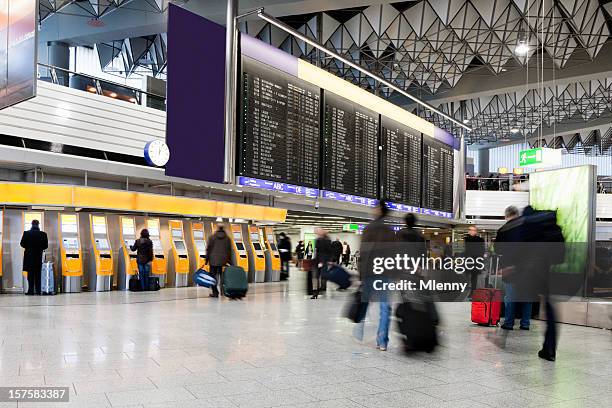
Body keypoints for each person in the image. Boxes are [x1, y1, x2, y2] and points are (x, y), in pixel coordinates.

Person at [357, 201, 396, 351]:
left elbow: (363, 253)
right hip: (385, 273)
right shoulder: (389, 231)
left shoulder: (368, 229)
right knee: (385, 307)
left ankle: (359, 331)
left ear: (378, 210)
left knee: (365, 302)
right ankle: (382, 341)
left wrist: (361, 275)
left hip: (369, 273)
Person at [496, 206, 531, 330]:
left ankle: (509, 323)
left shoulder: (503, 230)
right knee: (527, 298)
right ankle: (525, 324)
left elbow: (497, 249)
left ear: (506, 216)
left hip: (509, 270)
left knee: (510, 297)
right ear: (518, 215)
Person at [20, 220, 48, 295]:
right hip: (38, 256)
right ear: (38, 224)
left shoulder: (26, 233)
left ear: (31, 224)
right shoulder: (43, 234)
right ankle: (38, 291)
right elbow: (46, 246)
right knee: (38, 274)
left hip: (29, 257)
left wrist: (29, 247)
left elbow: (22, 244)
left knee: (30, 274)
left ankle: (31, 291)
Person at [206, 225, 233, 298]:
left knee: (213, 277)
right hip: (223, 261)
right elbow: (229, 251)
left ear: (217, 229)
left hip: (213, 260)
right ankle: (223, 291)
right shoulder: (227, 239)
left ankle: (215, 292)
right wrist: (230, 261)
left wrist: (206, 260)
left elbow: (208, 249)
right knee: (223, 277)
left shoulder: (212, 237)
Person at [464, 225, 485, 297]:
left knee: (473, 277)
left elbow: (482, 251)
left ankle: (472, 292)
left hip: (475, 261)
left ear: (476, 231)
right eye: (471, 230)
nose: (472, 231)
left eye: (474, 230)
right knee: (469, 277)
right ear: (469, 231)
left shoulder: (480, 240)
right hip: (469, 261)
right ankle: (469, 291)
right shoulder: (465, 239)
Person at [312, 228, 332, 299]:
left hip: (322, 261)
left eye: (318, 231)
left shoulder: (326, 240)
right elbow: (316, 251)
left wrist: (323, 261)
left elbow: (328, 252)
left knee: (322, 275)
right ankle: (316, 292)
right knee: (316, 276)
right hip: (317, 261)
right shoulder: (317, 240)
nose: (317, 233)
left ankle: (322, 288)